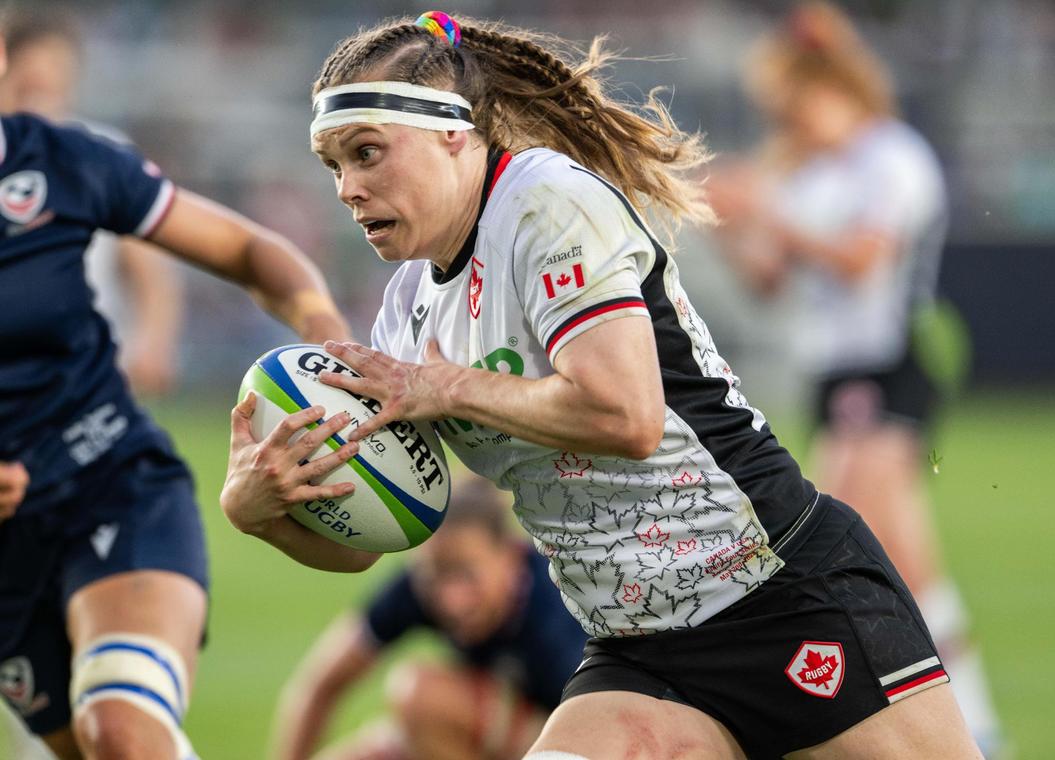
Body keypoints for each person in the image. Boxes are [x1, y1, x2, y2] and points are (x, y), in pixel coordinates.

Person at [220, 10, 983, 759]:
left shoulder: (543, 202)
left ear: (453, 129)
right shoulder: (406, 312)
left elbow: (627, 415)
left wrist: (444, 388)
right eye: (334, 165)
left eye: (367, 152)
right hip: (637, 651)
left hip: (777, 590)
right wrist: (261, 512)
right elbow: (374, 531)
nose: (348, 188)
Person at [0, 15, 360, 760]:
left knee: (122, 731)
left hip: (109, 482)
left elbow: (249, 251)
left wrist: (329, 345)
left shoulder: (66, 163)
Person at [706, 3, 1004, 755]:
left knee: (842, 535)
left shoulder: (892, 157)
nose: (785, 124)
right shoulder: (812, 171)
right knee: (901, 554)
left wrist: (767, 210)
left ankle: (933, 719)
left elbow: (863, 260)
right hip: (835, 373)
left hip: (890, 360)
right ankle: (970, 723)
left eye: (792, 106)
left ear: (829, 89)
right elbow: (770, 280)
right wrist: (733, 225)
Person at [272, 477, 588, 760]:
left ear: (510, 554)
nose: (450, 600)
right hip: (500, 720)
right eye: (434, 575)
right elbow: (320, 685)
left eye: (466, 574)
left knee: (424, 699)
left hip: (574, 737)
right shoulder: (416, 587)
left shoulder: (559, 611)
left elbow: (597, 733)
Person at [0, 7, 184, 397]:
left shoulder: (100, 156)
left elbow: (149, 267)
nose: (42, 102)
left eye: (55, 83)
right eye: (29, 86)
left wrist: (154, 341)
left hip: (84, 375)